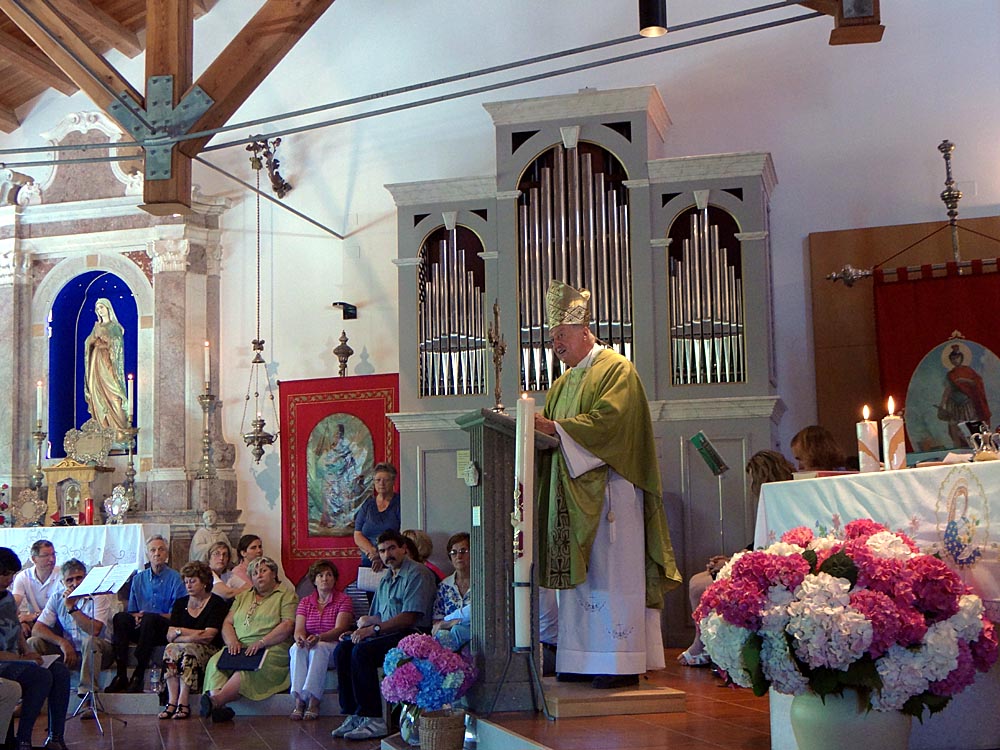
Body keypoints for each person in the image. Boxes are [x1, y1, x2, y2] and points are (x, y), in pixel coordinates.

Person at [533, 279, 681, 690]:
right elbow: (552, 435)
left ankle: (619, 661)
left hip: (611, 493)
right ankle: (579, 658)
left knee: (612, 578)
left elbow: (612, 424)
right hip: (571, 495)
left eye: (561, 334)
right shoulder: (561, 384)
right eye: (551, 337)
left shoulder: (617, 369)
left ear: (584, 330)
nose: (555, 343)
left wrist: (555, 428)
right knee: (580, 584)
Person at [677, 450, 796, 667]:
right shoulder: (776, 501)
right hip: (761, 560)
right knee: (699, 580)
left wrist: (733, 562)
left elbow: (772, 547)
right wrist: (732, 558)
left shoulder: (781, 503)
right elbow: (758, 543)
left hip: (772, 568)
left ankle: (703, 645)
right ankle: (704, 643)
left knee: (697, 586)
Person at [331, 529, 436, 741]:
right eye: (382, 551)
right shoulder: (386, 579)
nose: (388, 555)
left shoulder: (418, 573)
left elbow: (410, 617)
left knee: (362, 652)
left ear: (403, 548)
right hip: (388, 633)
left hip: (412, 635)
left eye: (392, 548)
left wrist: (374, 630)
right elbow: (378, 616)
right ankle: (355, 714)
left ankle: (374, 718)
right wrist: (358, 631)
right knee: (343, 648)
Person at [200, 557, 297, 723]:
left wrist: (262, 642)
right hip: (239, 645)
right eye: (254, 573)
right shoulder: (243, 596)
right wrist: (232, 641)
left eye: (263, 571)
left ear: (274, 574)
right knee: (215, 663)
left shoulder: (286, 595)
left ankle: (216, 701)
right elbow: (227, 623)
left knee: (247, 669)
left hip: (271, 647)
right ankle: (218, 708)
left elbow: (288, 625)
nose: (259, 575)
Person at [0, 547, 72, 750]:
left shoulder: (7, 597)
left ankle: (55, 738)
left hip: (13, 658)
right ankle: (23, 740)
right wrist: (21, 659)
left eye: (12, 575)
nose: (9, 580)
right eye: (5, 575)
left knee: (59, 671)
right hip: (3, 662)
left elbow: (15, 626)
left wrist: (27, 650)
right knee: (40, 676)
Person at [107, 534, 186, 693]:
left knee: (150, 618)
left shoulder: (176, 578)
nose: (157, 553)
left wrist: (151, 616)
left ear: (166, 554)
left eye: (161, 550)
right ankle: (121, 674)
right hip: (142, 626)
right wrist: (136, 617)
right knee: (120, 618)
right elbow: (133, 610)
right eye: (153, 550)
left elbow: (177, 615)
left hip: (163, 628)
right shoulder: (138, 579)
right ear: (148, 554)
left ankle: (139, 673)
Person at [28, 559, 114, 694]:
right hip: (69, 652)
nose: (75, 584)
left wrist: (71, 608)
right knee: (33, 642)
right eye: (70, 580)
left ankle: (86, 695)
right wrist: (62, 643)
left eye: (79, 578)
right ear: (63, 582)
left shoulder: (98, 596)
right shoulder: (57, 597)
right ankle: (37, 692)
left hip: (99, 652)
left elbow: (94, 630)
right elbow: (37, 629)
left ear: (86, 578)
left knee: (90, 641)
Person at [159, 561, 229, 720]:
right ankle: (171, 702)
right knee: (170, 649)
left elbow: (208, 636)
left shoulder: (216, 603)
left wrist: (180, 633)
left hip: (210, 650)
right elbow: (170, 635)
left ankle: (183, 701)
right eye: (186, 582)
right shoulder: (180, 604)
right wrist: (191, 637)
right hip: (184, 648)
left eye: (193, 581)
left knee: (187, 651)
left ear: (204, 582)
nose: (188, 585)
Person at [289, 560, 354, 721]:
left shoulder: (344, 600)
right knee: (296, 648)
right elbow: (299, 629)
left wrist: (319, 637)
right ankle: (299, 701)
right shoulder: (305, 602)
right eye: (320, 575)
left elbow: (341, 629)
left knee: (320, 648)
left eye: (329, 575)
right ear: (314, 580)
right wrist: (300, 639)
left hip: (333, 646)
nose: (325, 578)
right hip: (310, 644)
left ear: (334, 579)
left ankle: (314, 701)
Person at [83, 296, 129, 432]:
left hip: (108, 366)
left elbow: (117, 344)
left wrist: (104, 338)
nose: (99, 310)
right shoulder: (96, 327)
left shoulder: (114, 327)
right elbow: (88, 343)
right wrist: (93, 339)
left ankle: (119, 432)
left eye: (101, 307)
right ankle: (102, 431)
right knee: (97, 395)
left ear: (108, 308)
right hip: (95, 365)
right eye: (97, 308)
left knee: (114, 396)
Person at [938, 343, 992, 447]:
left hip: (967, 403)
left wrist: (965, 380)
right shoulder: (950, 375)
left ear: (961, 358)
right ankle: (959, 447)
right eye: (953, 359)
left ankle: (975, 447)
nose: (955, 361)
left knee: (970, 426)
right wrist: (942, 404)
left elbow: (977, 382)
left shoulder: (968, 371)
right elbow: (948, 390)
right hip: (953, 404)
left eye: (957, 358)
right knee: (955, 426)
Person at [352, 463, 401, 574]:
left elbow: (403, 534)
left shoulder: (400, 503)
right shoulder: (368, 505)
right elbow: (357, 534)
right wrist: (373, 553)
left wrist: (383, 554)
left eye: (386, 480)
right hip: (369, 561)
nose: (381, 484)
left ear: (393, 481)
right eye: (378, 480)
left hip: (393, 562)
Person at [11, 539, 59, 638]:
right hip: (35, 622)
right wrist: (21, 622)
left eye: (53, 554)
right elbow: (14, 604)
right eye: (46, 555)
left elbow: (58, 609)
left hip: (57, 621)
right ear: (34, 559)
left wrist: (34, 616)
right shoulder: (23, 577)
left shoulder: (61, 575)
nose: (52, 559)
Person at [431, 532, 471, 649]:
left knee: (457, 630)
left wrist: (454, 622)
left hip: (479, 640)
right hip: (449, 643)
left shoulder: (483, 583)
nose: (458, 556)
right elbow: (437, 622)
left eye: (463, 551)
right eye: (454, 553)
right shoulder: (444, 586)